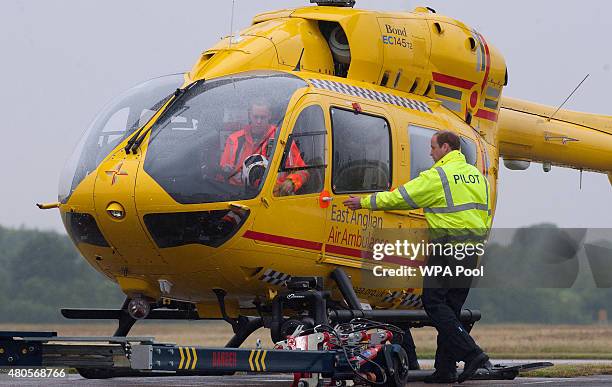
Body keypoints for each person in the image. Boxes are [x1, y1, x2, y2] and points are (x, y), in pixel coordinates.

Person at [343, 130, 491, 384]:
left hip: (447, 246)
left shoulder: (439, 176)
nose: (430, 152)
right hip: (471, 250)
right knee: (451, 311)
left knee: (433, 304)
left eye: (433, 147)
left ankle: (473, 354)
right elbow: (485, 214)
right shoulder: (478, 177)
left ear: (445, 148)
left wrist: (364, 202)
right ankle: (445, 371)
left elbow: (402, 197)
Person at [219, 100, 309, 196]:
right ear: (250, 115)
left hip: (273, 198)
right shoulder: (234, 140)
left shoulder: (282, 139)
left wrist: (291, 182)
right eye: (256, 117)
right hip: (240, 198)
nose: (258, 121)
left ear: (269, 116)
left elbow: (303, 171)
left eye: (263, 117)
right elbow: (222, 175)